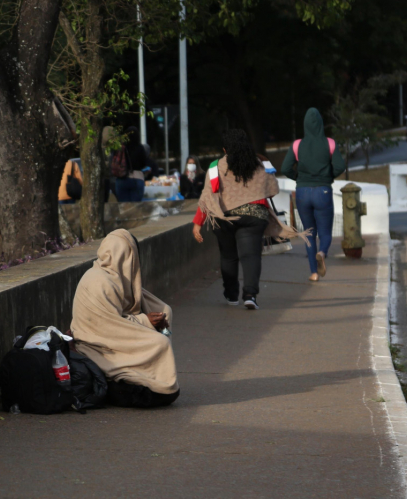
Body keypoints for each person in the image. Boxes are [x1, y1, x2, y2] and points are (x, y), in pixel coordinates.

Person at [192, 129, 306, 310]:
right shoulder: (261, 163)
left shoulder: (215, 167)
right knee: (251, 255)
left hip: (224, 217)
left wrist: (198, 223)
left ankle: (231, 295)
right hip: (254, 216)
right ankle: (250, 295)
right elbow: (273, 189)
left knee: (228, 256)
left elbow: (207, 196)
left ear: (224, 149)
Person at [71, 229, 179, 408]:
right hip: (97, 345)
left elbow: (138, 304)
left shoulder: (117, 278)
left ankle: (152, 380)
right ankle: (151, 383)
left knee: (165, 313)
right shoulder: (100, 281)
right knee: (160, 343)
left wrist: (160, 318)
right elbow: (108, 326)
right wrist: (146, 322)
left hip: (115, 336)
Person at [281, 108, 346, 281]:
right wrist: (327, 177)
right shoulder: (330, 143)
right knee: (325, 233)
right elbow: (340, 166)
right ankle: (322, 252)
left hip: (302, 192)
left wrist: (298, 178)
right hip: (323, 191)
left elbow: (285, 168)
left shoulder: (297, 145)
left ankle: (314, 273)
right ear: (321, 124)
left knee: (309, 233)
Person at [115, 126, 147, 202]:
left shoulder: (120, 148)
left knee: (124, 208)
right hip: (137, 178)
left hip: (121, 178)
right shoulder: (140, 148)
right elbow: (144, 163)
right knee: (135, 208)